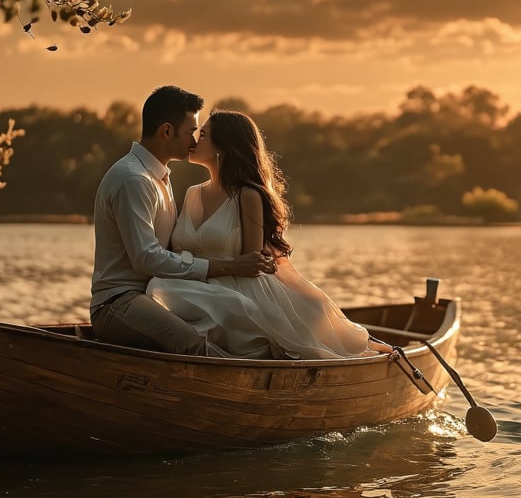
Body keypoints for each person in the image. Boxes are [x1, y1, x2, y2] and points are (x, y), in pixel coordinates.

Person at [147, 109, 380, 360]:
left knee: (173, 292)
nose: (193, 140)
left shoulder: (248, 196)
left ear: (223, 147)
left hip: (236, 290)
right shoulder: (193, 193)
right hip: (194, 285)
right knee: (157, 287)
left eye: (202, 135)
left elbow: (253, 263)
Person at [90, 86, 276, 354]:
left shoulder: (159, 177)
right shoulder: (134, 180)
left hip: (155, 295)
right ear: (167, 131)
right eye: (191, 132)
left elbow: (171, 251)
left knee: (226, 328)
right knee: (192, 343)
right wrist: (228, 265)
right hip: (119, 303)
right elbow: (147, 258)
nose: (194, 141)